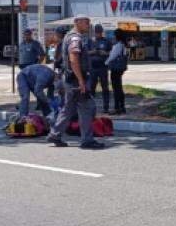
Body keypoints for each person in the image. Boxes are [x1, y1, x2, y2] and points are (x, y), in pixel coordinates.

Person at [45, 16, 104, 149]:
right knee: (87, 108)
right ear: (77, 22)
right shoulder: (75, 38)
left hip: (70, 80)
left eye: (89, 22)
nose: (88, 25)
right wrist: (82, 81)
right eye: (86, 22)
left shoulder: (70, 37)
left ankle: (55, 134)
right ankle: (87, 140)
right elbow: (73, 59)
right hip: (77, 81)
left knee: (68, 109)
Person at [89, 23, 112, 114]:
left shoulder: (106, 41)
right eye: (96, 32)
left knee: (105, 88)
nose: (98, 34)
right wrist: (93, 51)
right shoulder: (90, 41)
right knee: (91, 89)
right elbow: (85, 52)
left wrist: (105, 53)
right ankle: (90, 108)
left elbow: (111, 52)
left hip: (103, 68)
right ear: (94, 32)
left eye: (99, 32)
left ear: (102, 32)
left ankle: (106, 107)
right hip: (93, 68)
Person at [107, 30, 129, 115]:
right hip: (120, 69)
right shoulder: (123, 45)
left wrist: (105, 63)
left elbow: (112, 56)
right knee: (119, 88)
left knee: (116, 89)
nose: (113, 37)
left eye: (114, 35)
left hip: (115, 69)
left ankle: (117, 108)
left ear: (117, 36)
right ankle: (122, 107)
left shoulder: (118, 45)